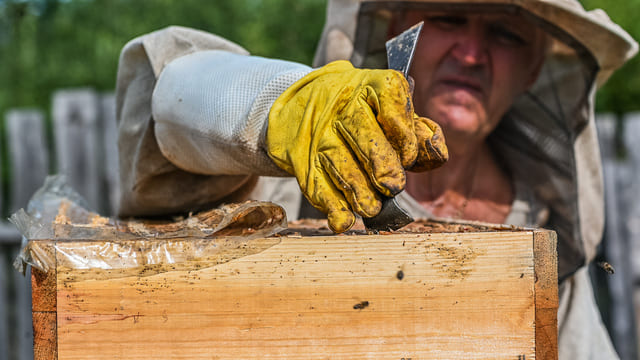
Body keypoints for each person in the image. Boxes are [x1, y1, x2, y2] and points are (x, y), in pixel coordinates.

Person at [114, 0, 637, 358]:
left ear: (533, 69)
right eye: (449, 18)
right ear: (398, 27)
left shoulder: (543, 232)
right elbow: (166, 97)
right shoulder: (288, 180)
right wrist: (276, 106)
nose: (473, 54)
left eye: (504, 34)